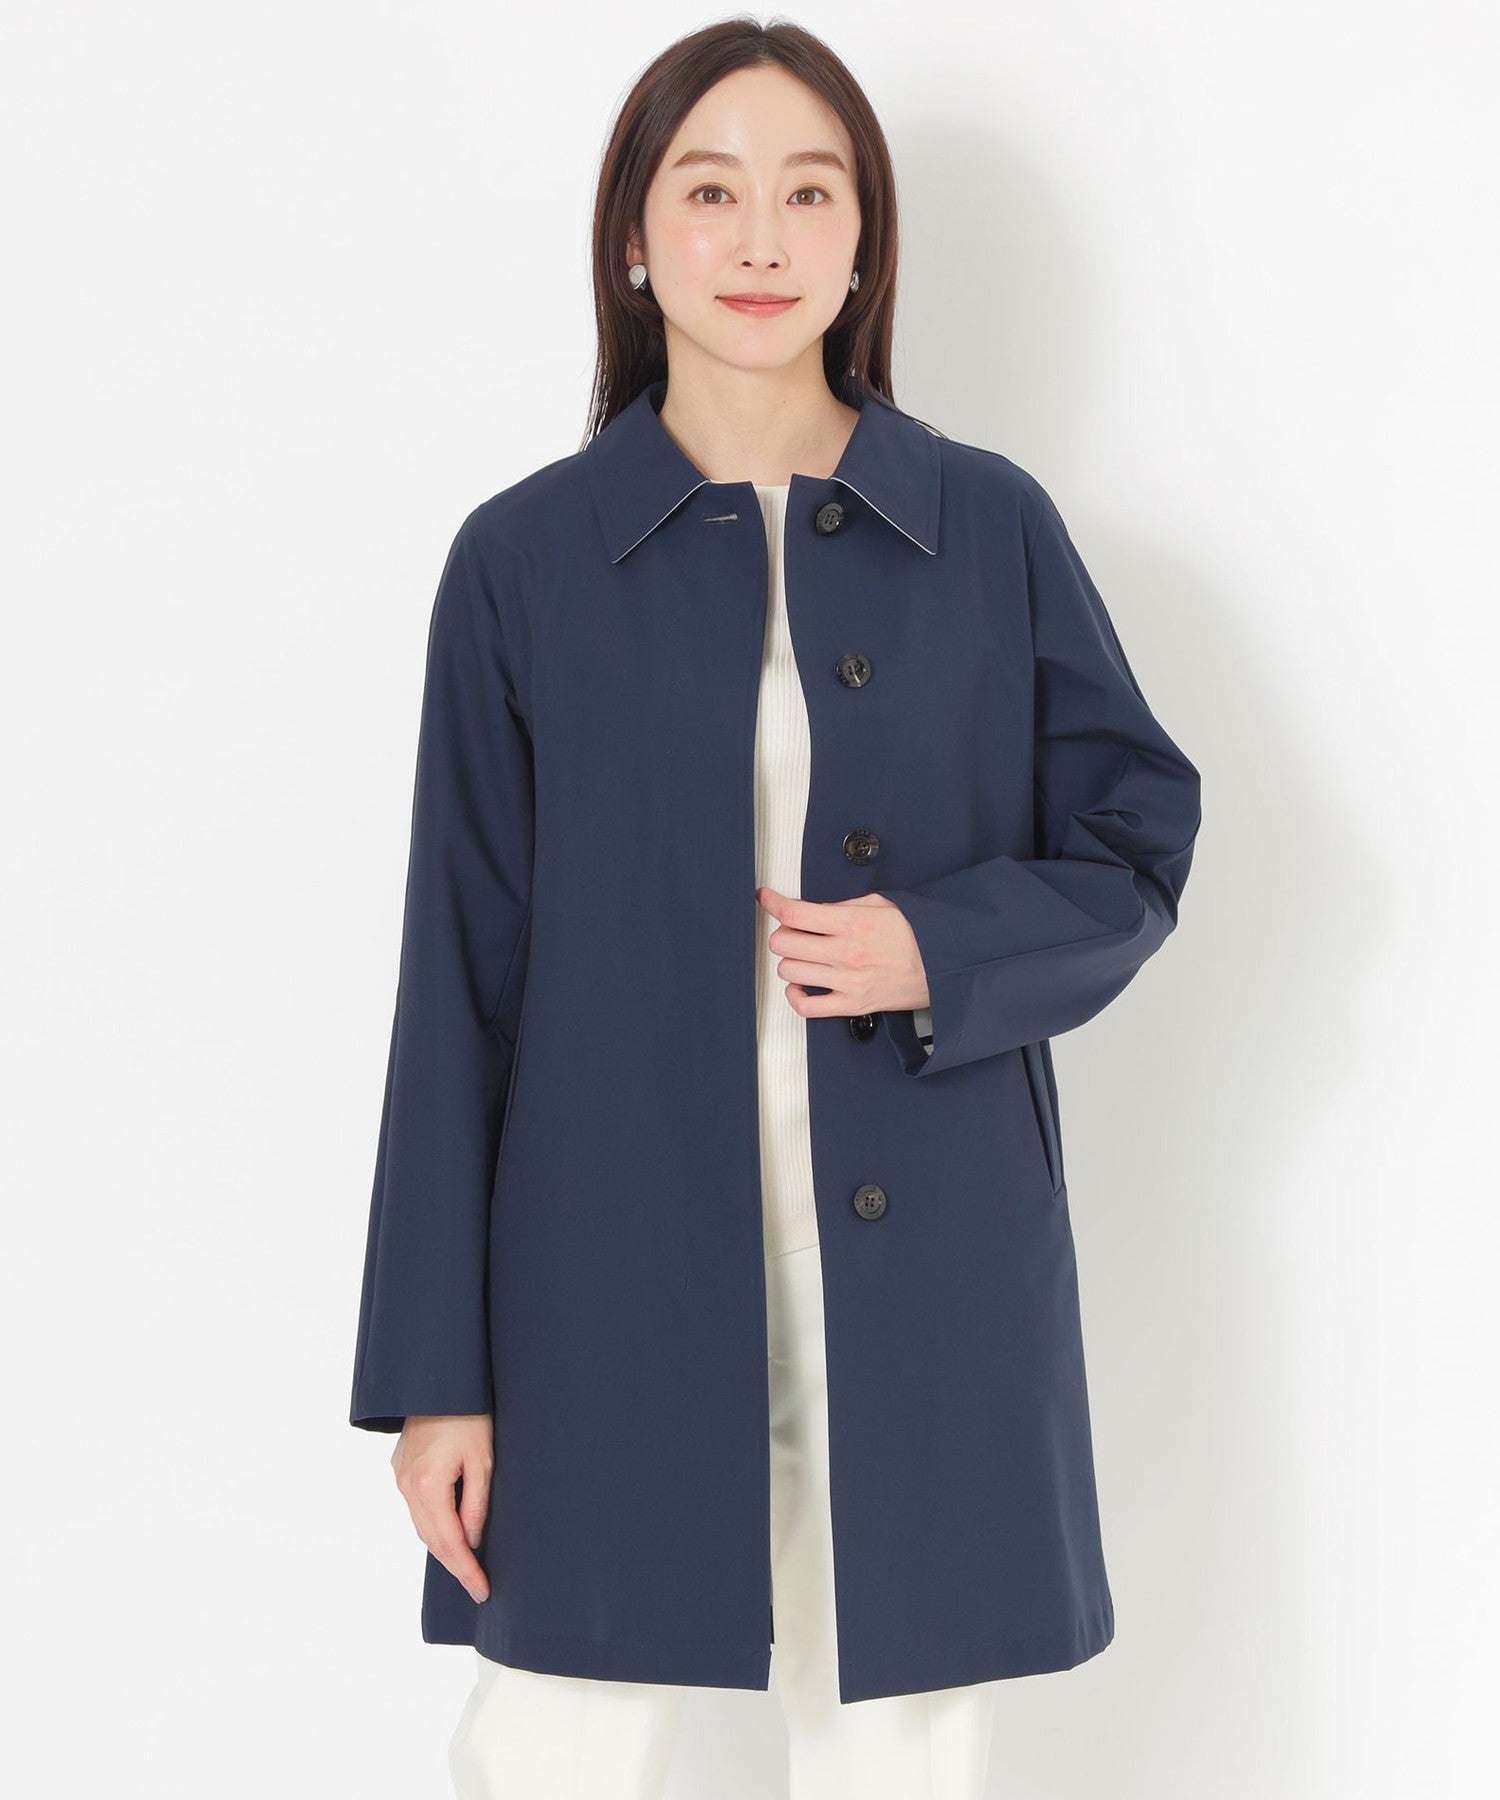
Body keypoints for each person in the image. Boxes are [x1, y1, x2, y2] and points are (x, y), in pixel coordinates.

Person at [350, 17, 1202, 1800]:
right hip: (601, 1272)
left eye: (810, 194)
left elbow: (1136, 838)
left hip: (924, 1265)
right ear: (633, 236)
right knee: (550, 1748)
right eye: (711, 191)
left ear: (864, 238)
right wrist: (439, 1376)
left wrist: (936, 947)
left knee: (901, 1756)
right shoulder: (524, 562)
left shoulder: (986, 526)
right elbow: (459, 974)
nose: (760, 240)